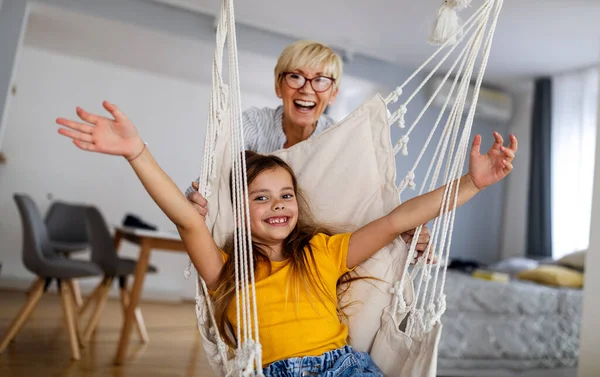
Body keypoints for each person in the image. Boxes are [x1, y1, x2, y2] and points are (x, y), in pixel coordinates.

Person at [55, 100, 517, 376]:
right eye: (261, 198)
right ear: (239, 211)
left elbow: (398, 220)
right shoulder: (227, 271)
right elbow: (187, 220)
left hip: (343, 367)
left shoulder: (322, 253)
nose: (277, 205)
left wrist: (472, 184)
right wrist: (137, 153)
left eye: (285, 195)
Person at [186, 39, 432, 258]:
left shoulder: (340, 140)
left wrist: (403, 235)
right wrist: (198, 198)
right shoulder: (253, 124)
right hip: (252, 249)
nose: (307, 88)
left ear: (333, 94)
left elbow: (364, 203)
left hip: (310, 248)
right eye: (295, 76)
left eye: (321, 80)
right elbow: (213, 178)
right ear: (278, 86)